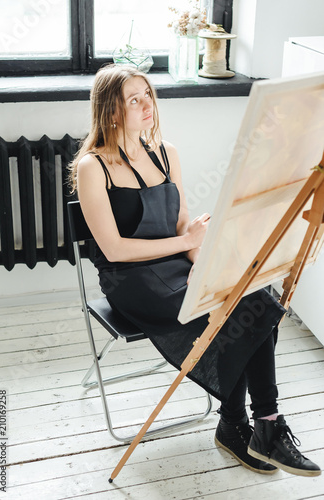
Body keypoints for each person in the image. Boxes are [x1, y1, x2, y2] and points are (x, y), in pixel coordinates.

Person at [68, 64, 321, 478]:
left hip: (174, 264)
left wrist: (204, 267)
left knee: (253, 298)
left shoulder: (167, 152)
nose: (146, 104)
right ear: (111, 112)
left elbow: (183, 223)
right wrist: (187, 245)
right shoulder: (92, 167)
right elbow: (113, 249)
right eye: (133, 100)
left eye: (147, 94)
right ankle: (238, 425)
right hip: (129, 279)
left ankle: (264, 424)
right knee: (235, 313)